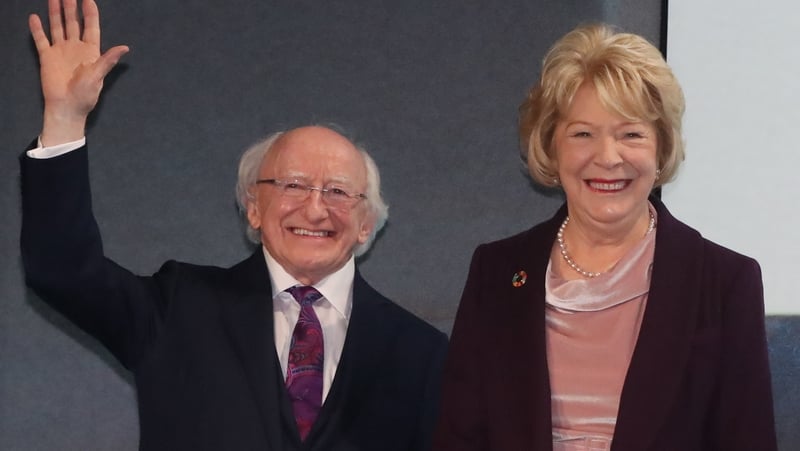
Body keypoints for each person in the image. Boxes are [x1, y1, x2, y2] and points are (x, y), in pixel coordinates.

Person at [20, 1, 447, 450]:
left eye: (338, 191)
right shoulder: (176, 309)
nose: (316, 209)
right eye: (293, 185)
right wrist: (65, 120)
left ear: (367, 224)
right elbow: (62, 269)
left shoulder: (421, 352)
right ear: (253, 208)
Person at [433, 24, 776, 451]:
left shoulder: (725, 282)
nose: (608, 157)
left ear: (660, 147)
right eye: (582, 134)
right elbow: (459, 438)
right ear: (551, 148)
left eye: (630, 134)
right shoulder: (497, 272)